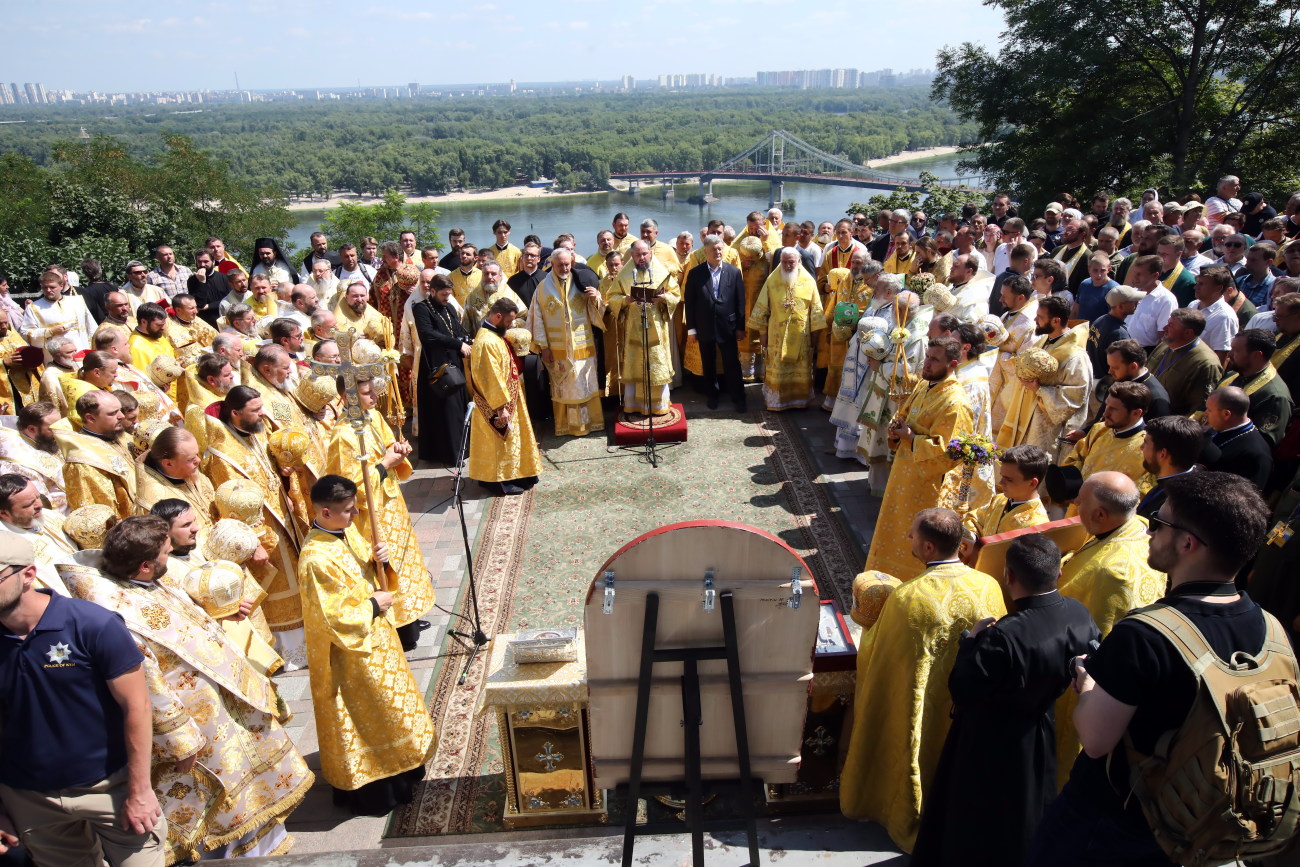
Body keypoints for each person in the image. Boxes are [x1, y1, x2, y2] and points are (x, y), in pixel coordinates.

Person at [1024, 472, 1272, 867]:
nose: (1149, 531)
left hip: (1115, 822)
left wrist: (1087, 685)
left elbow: (1095, 739)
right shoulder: (1267, 625)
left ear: (1188, 543)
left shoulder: (1144, 635)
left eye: (1160, 523)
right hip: (1198, 823)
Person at [59, 516, 311, 861]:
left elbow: (182, 624)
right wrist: (179, 741)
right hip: (195, 726)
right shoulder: (119, 615)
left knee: (250, 788)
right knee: (218, 802)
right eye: (166, 552)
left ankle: (261, 848)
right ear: (146, 565)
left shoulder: (142, 581)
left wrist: (219, 612)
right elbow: (146, 683)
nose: (171, 554)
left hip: (219, 705)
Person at [912, 534, 1098, 867]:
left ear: (1008, 576)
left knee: (978, 816)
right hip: (1040, 729)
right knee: (1028, 807)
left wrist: (970, 642)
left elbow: (964, 690)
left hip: (988, 739)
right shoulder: (1079, 614)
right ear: (1058, 574)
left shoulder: (1004, 636)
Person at [840, 508, 1006, 853]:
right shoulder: (987, 583)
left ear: (928, 548)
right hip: (969, 705)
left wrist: (868, 621)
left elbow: (879, 655)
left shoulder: (908, 597)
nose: (907, 539)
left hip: (924, 704)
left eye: (912, 535)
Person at [0, 533, 167, 867]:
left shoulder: (92, 625)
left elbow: (136, 706)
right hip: (31, 798)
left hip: (111, 789)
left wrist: (140, 791)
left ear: (29, 574)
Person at [297, 475, 437, 815]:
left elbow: (372, 576)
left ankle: (404, 770)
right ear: (325, 512)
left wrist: (382, 561)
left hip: (379, 640)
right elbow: (331, 618)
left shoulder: (346, 531)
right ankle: (377, 790)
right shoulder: (315, 559)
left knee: (391, 709)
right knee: (369, 717)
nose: (356, 513)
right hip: (352, 654)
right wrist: (374, 605)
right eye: (348, 510)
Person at [1054, 471, 1165, 785]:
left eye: (1081, 502)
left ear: (1100, 515)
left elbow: (1089, 630)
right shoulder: (1139, 526)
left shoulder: (1109, 572)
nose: (1074, 503)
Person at [324, 377, 434, 653]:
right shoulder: (344, 436)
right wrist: (386, 464)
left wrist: (398, 449)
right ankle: (395, 625)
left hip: (391, 506)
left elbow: (388, 443)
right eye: (366, 392)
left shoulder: (372, 415)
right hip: (369, 516)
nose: (374, 396)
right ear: (349, 398)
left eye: (374, 390)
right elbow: (350, 490)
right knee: (385, 566)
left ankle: (408, 615)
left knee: (404, 560)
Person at [201, 386, 307, 669]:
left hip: (282, 518)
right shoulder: (222, 452)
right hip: (260, 533)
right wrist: (254, 543)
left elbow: (268, 468)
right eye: (255, 410)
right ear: (235, 413)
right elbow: (228, 505)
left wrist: (284, 474)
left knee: (295, 579)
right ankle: (287, 652)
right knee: (279, 589)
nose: (262, 414)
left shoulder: (256, 431)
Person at [863, 338, 975, 579]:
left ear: (953, 364)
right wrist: (897, 429)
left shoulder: (955, 403)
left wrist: (912, 438)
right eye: (927, 357)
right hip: (903, 476)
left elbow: (949, 454)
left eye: (934, 360)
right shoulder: (926, 384)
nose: (927, 363)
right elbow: (905, 416)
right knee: (893, 532)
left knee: (916, 539)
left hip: (925, 487)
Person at [996, 296, 1093, 458]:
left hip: (1043, 429)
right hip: (1024, 416)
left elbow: (1075, 398)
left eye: (1040, 317)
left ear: (1055, 321)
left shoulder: (1076, 357)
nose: (1035, 320)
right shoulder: (1043, 341)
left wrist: (1039, 389)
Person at [467, 298, 542, 496]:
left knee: (511, 440)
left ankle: (520, 473)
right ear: (498, 316)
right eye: (508, 322)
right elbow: (490, 377)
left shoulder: (494, 336)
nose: (509, 326)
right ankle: (498, 482)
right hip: (496, 403)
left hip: (509, 398)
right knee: (498, 443)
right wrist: (501, 407)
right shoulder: (486, 342)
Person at [527, 248, 606, 436]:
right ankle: (567, 426)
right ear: (552, 264)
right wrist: (543, 347)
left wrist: (596, 298)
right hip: (557, 349)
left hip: (583, 345)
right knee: (565, 387)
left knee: (584, 383)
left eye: (567, 264)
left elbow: (597, 314)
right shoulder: (543, 288)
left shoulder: (580, 282)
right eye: (560, 264)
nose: (564, 268)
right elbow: (536, 319)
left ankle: (591, 423)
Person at [746, 248, 827, 411]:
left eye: (791, 262)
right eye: (784, 262)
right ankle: (777, 402)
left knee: (801, 368)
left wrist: (815, 337)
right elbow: (763, 309)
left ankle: (799, 400)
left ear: (799, 262)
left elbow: (816, 311)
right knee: (778, 370)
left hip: (802, 335)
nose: (788, 265)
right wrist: (762, 334)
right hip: (776, 336)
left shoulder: (809, 281)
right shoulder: (772, 280)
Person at [607, 240, 681, 416]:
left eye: (645, 254)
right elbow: (612, 297)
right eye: (638, 255)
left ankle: (658, 406)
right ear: (632, 255)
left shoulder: (663, 273)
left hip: (656, 329)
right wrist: (625, 300)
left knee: (656, 364)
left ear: (650, 253)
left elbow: (675, 294)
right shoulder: (624, 276)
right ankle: (634, 405)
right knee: (636, 365)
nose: (642, 258)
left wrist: (664, 298)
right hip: (634, 329)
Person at [411, 274, 472, 465]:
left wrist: (467, 341)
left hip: (454, 363)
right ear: (433, 291)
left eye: (449, 294)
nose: (447, 298)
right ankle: (449, 455)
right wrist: (457, 344)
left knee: (457, 410)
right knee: (446, 411)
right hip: (436, 366)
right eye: (444, 295)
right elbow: (428, 335)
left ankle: (462, 450)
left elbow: (457, 330)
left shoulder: (450, 307)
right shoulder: (421, 308)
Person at [684, 236, 747, 412]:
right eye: (714, 249)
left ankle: (739, 397)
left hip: (728, 327)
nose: (718, 252)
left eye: (720, 249)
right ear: (706, 252)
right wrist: (691, 329)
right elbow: (689, 302)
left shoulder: (734, 272)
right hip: (704, 326)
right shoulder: (695, 273)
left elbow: (740, 301)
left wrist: (740, 327)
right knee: (708, 364)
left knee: (732, 364)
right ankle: (712, 395)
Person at [961, 444, 1051, 557]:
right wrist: (972, 538)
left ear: (1032, 483)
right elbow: (976, 519)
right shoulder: (1000, 499)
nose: (1001, 483)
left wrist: (977, 551)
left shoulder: (1036, 526)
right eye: (1002, 476)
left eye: (1008, 479)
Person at [58, 392, 137, 518]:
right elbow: (94, 515)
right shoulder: (82, 462)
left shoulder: (122, 436)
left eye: (120, 410)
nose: (121, 416)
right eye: (113, 413)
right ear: (90, 418)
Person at [1060, 381, 1150, 488]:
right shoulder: (1099, 429)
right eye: (1107, 405)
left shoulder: (1147, 449)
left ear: (1136, 413)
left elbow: (1141, 490)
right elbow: (1074, 458)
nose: (1105, 413)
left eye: (1113, 409)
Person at [1218, 329, 1293, 447]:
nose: (1229, 354)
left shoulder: (1275, 397)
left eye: (1236, 350)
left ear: (1257, 355)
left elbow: (1261, 443)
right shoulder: (1234, 374)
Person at [1148, 308, 1223, 415]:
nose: (1164, 328)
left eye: (1171, 325)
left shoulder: (1206, 363)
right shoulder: (1166, 344)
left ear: (1187, 333)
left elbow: (1198, 409)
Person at [0, 402, 68, 516]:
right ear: (32, 429)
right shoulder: (19, 464)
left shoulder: (47, 439)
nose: (61, 432)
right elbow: (41, 504)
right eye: (54, 429)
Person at [990, 275, 1039, 432]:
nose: (1000, 300)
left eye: (1005, 296)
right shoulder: (1007, 314)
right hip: (995, 380)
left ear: (1020, 297)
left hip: (1009, 388)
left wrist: (998, 353)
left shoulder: (1030, 325)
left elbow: (1025, 364)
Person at [1204, 386, 1273, 490]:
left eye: (1209, 410)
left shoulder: (1257, 456)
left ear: (1226, 414)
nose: (1205, 413)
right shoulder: (1218, 429)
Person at [1135, 415, 1203, 520]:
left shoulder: (1174, 503)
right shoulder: (1191, 476)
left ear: (1163, 454)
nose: (1141, 447)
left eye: (1146, 443)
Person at [21, 269, 97, 357]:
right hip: (55, 356)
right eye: (45, 287)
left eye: (52, 287)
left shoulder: (77, 301)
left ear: (61, 285)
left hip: (81, 350)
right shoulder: (34, 308)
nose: (48, 290)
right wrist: (49, 331)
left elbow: (91, 327)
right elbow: (25, 333)